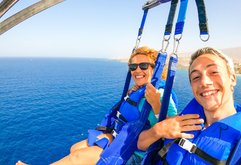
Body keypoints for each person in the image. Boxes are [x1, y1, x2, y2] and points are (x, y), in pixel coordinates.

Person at [16, 46, 178, 165]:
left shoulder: (161, 94)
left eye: (143, 66)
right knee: (74, 148)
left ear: (155, 68)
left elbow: (173, 133)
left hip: (136, 152)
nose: (137, 70)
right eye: (133, 67)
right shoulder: (140, 90)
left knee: (76, 159)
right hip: (123, 137)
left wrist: (157, 105)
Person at [137, 47, 241, 165]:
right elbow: (141, 143)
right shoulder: (184, 118)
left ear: (232, 79)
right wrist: (158, 130)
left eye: (213, 72)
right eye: (196, 77)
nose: (204, 82)